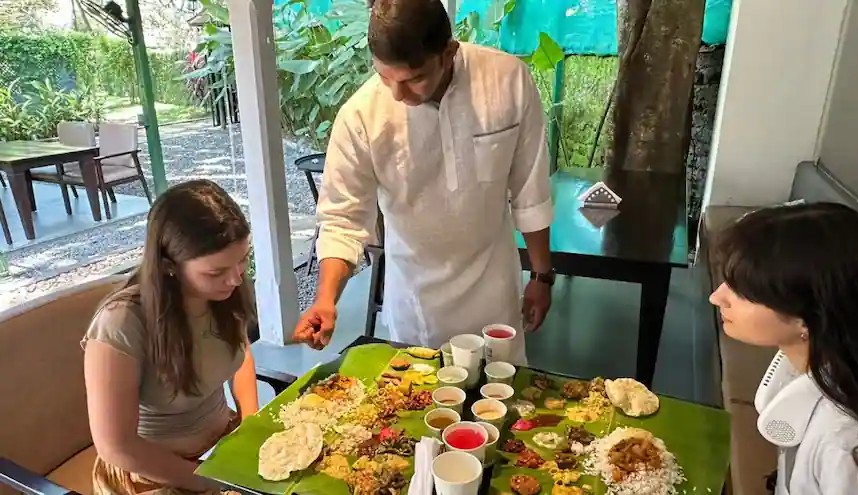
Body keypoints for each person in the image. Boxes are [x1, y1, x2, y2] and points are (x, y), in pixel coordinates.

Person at [293, 0, 555, 364]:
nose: (398, 95)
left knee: (501, 391)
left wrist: (541, 276)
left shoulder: (507, 81)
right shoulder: (362, 116)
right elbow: (342, 221)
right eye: (385, 77)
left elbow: (531, 190)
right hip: (416, 307)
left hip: (494, 295)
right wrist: (325, 299)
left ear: (448, 53)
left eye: (413, 79)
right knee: (417, 393)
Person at [83, 180, 257, 494]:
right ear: (169, 266)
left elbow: (239, 353)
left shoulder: (226, 290)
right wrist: (209, 481)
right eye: (215, 272)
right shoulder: (122, 322)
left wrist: (251, 423)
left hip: (220, 448)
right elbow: (117, 446)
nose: (235, 278)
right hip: (154, 472)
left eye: (243, 259)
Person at [709, 202, 858, 495]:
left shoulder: (849, 449)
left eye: (743, 292)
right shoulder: (819, 358)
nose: (716, 297)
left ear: (809, 317)